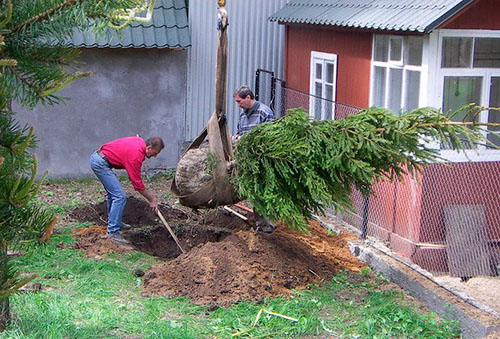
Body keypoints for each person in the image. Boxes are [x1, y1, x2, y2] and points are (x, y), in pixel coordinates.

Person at [90, 136, 164, 244]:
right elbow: (137, 185)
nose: (155, 156)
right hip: (100, 163)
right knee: (119, 196)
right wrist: (152, 200)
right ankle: (113, 232)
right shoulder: (135, 156)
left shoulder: (139, 141)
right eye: (155, 152)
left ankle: (116, 222)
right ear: (148, 148)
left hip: (99, 158)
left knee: (113, 194)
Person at [233, 85, 276, 233]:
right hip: (249, 162)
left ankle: (267, 226)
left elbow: (270, 138)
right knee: (255, 193)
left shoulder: (264, 112)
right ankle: (261, 224)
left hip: (263, 161)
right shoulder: (243, 116)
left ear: (248, 98)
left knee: (263, 192)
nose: (238, 105)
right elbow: (240, 134)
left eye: (239, 101)